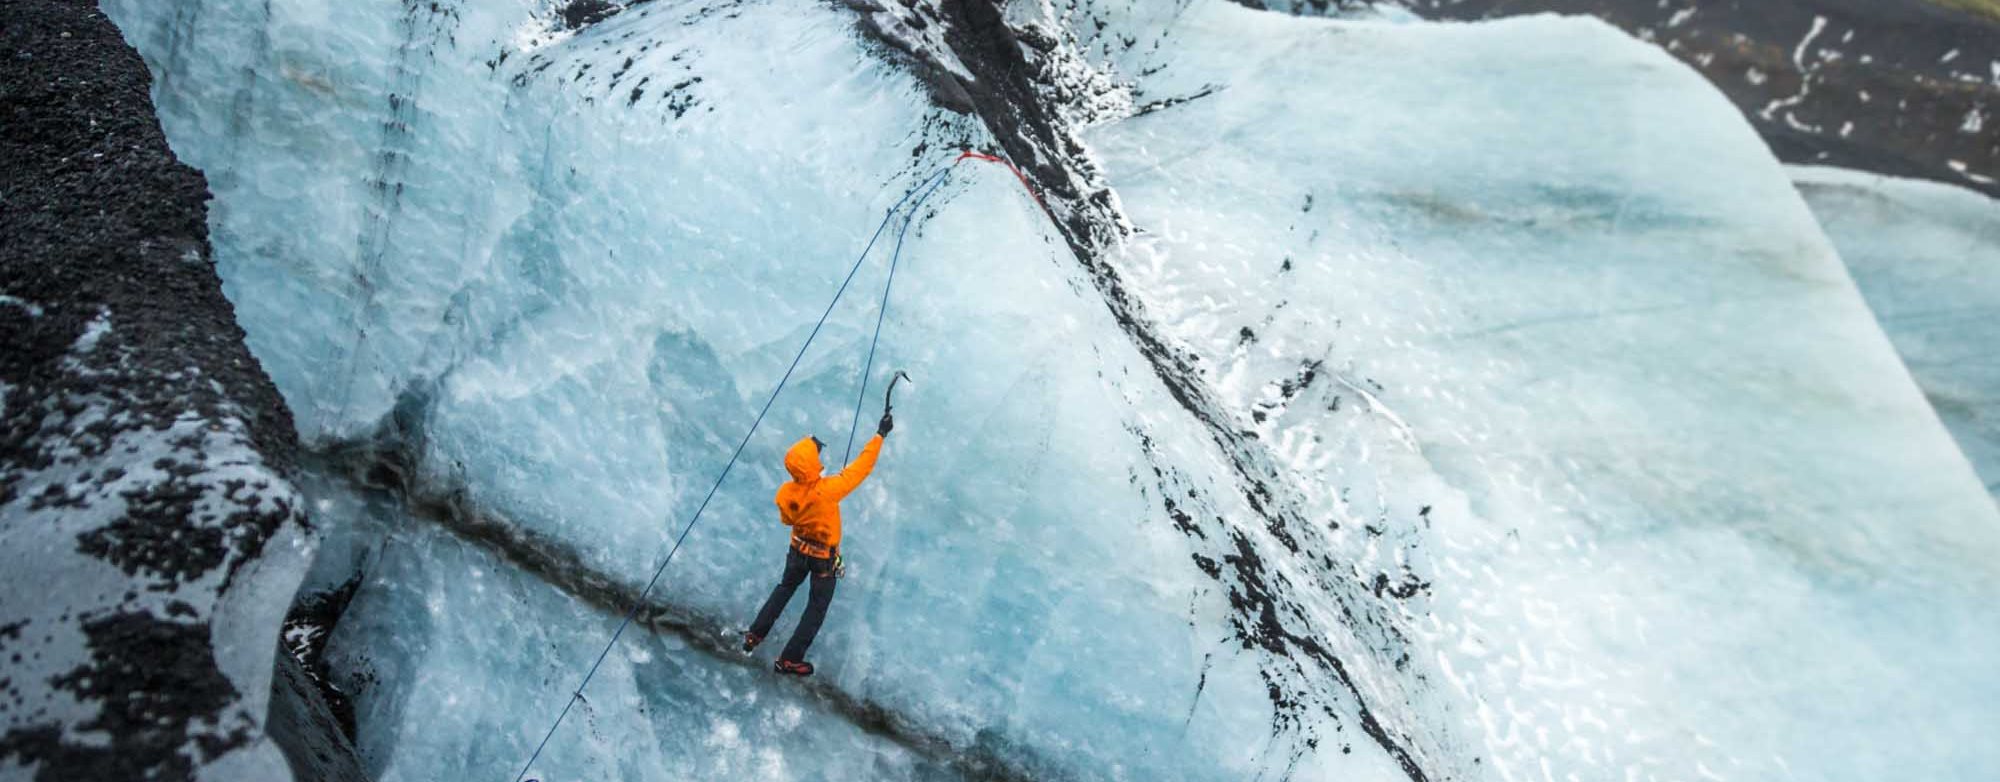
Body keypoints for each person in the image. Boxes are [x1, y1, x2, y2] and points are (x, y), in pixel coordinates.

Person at [742, 409, 893, 676]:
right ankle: (790, 659)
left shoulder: (786, 493)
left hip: (797, 551)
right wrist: (880, 434)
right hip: (823, 559)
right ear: (812, 465)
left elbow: (788, 517)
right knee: (816, 608)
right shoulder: (828, 491)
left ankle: (755, 634)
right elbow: (861, 468)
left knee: (784, 589)